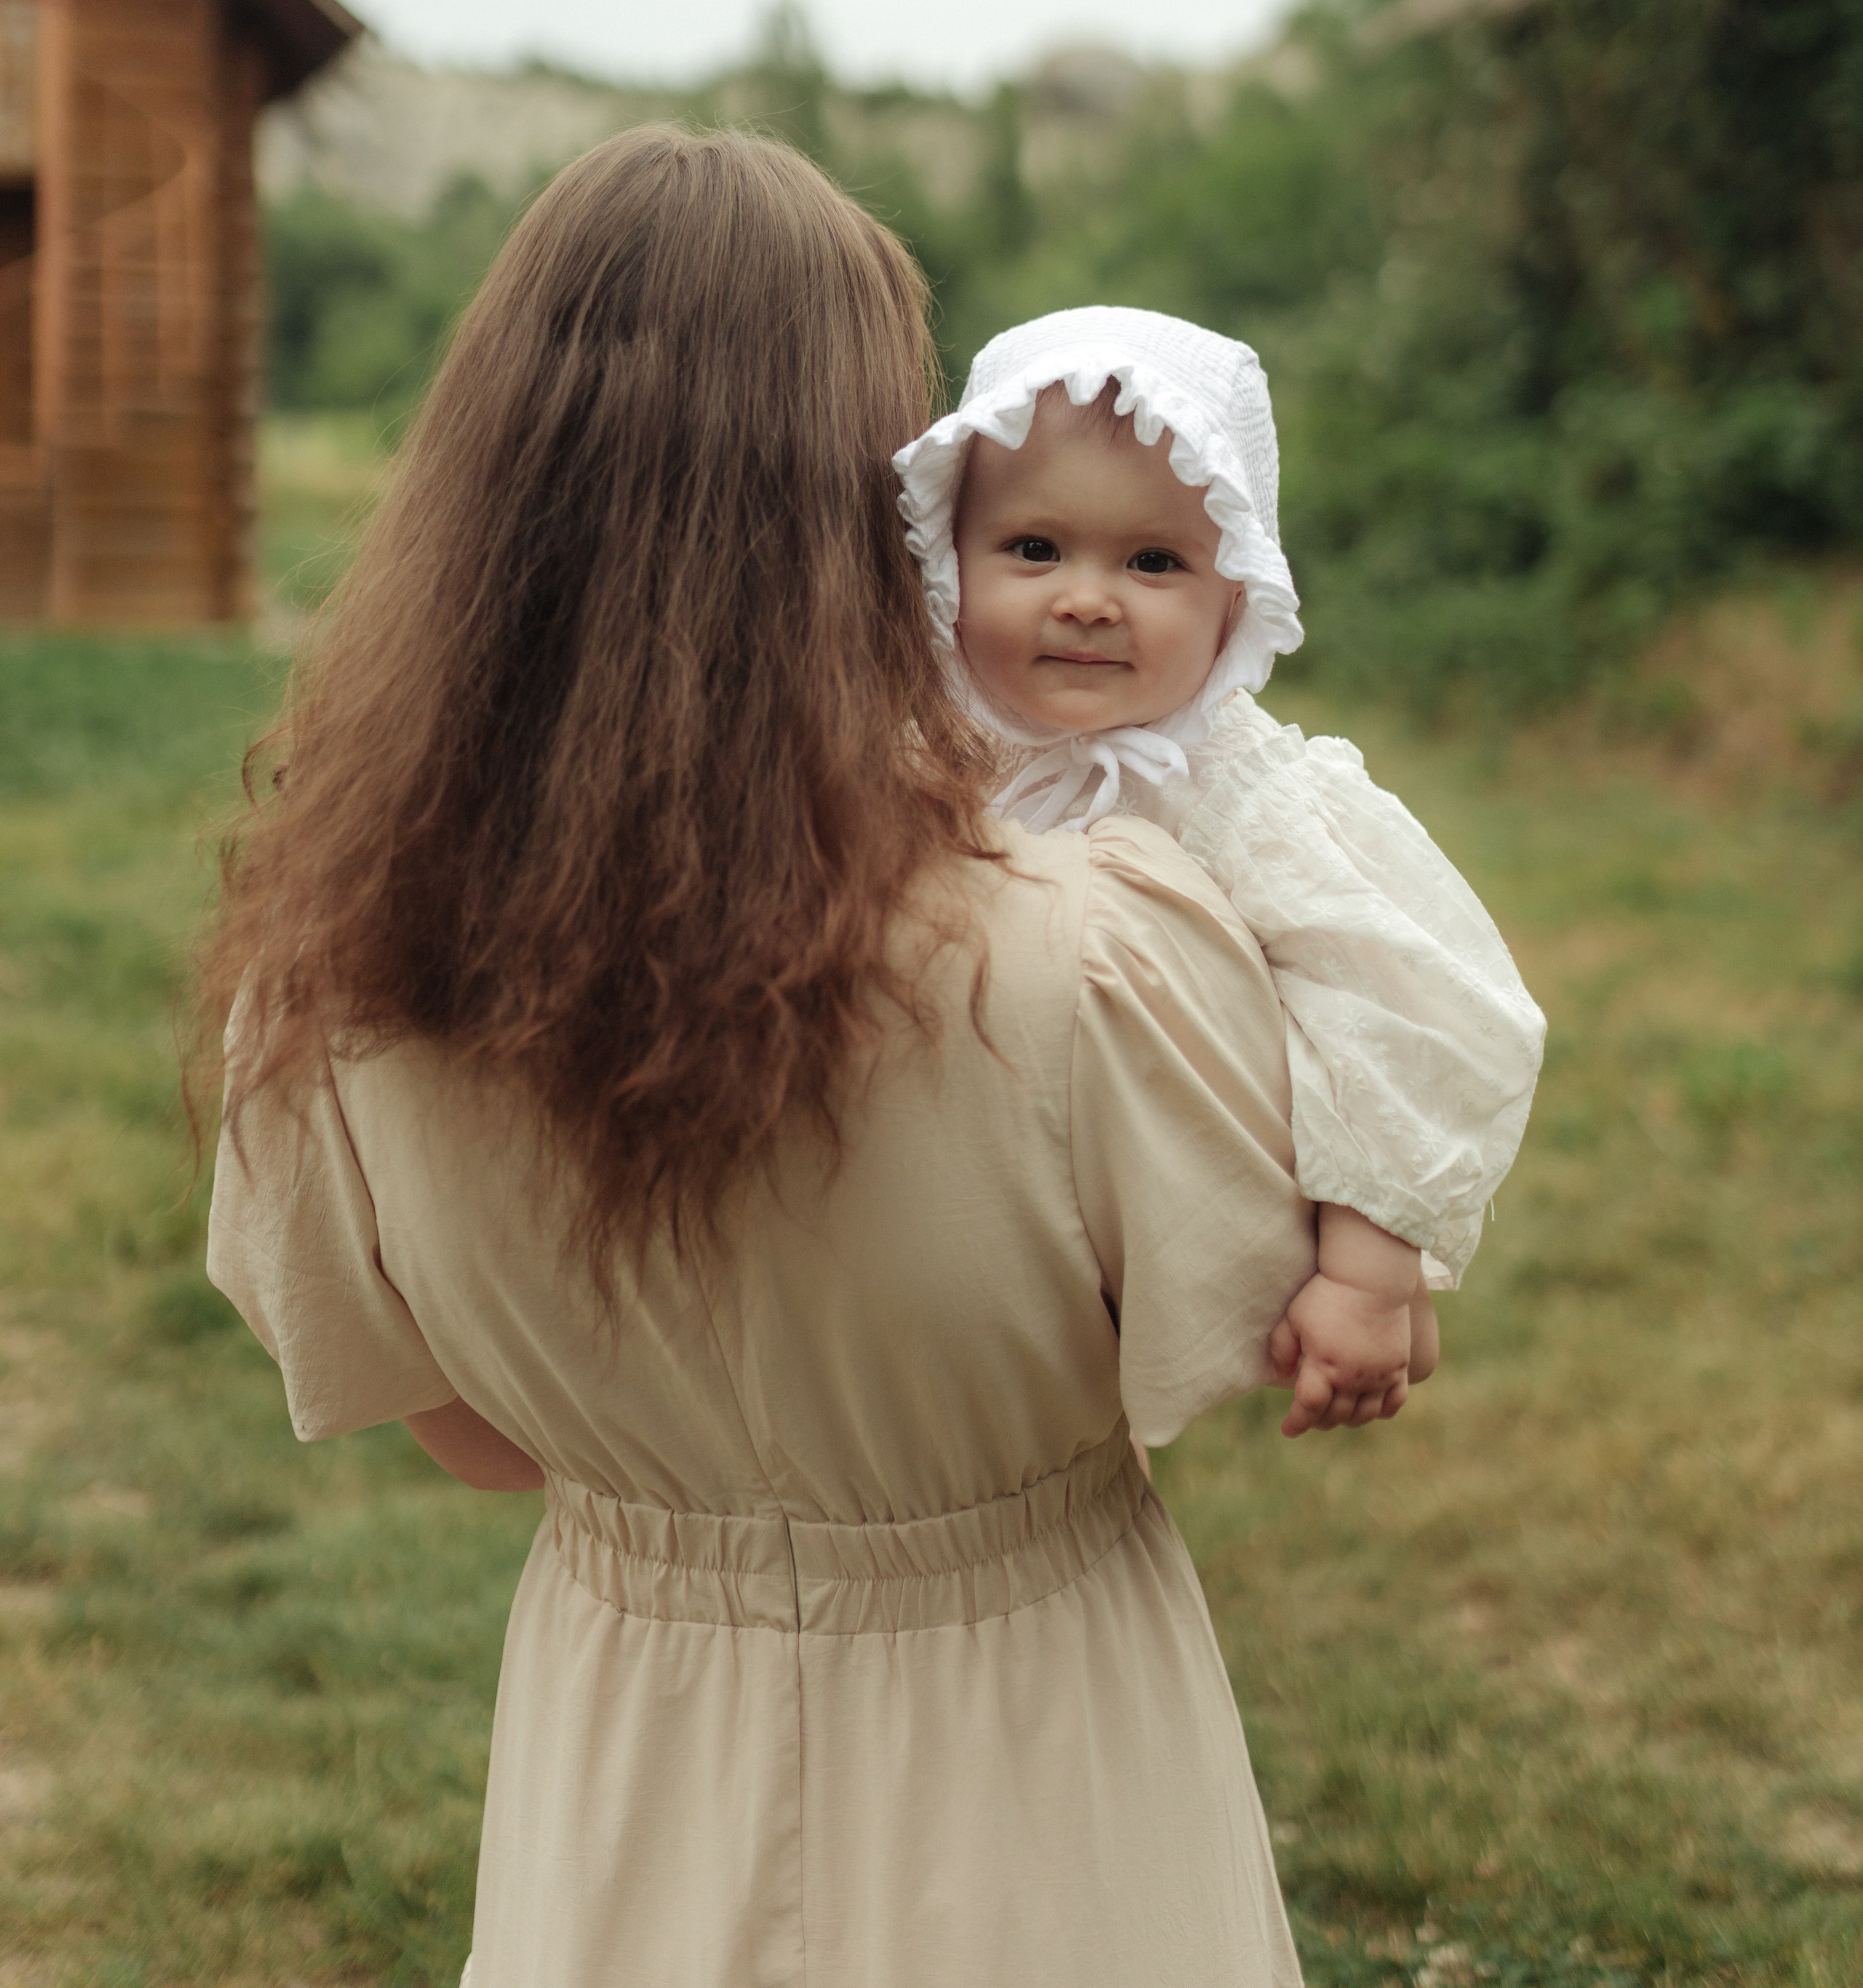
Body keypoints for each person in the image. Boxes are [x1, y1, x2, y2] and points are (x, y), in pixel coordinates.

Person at [200, 131, 1326, 1988]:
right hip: (1042, 1767)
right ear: (882, 501)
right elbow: (1214, 1342)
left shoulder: (338, 982)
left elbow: (470, 1439)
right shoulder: (1083, 953)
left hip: (626, 1764)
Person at [894, 306, 1545, 1440]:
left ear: (1235, 589)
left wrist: (1368, 1274)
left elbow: (1411, 1005)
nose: (1087, 598)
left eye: (1153, 562)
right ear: (949, 557)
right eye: (1034, 549)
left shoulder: (1243, 791)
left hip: (1183, 1201)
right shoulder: (921, 751)